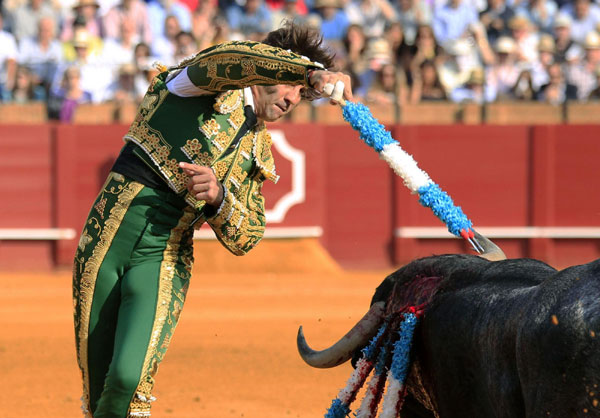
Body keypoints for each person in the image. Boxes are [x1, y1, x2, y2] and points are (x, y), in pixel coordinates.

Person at [72, 21, 352, 418]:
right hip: (109, 232)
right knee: (98, 384)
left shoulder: (259, 150)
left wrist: (219, 197)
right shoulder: (205, 85)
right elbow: (228, 59)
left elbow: (247, 236)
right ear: (271, 69)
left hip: (164, 255)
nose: (294, 99)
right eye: (291, 85)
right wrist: (306, 72)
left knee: (127, 380)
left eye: (304, 96)